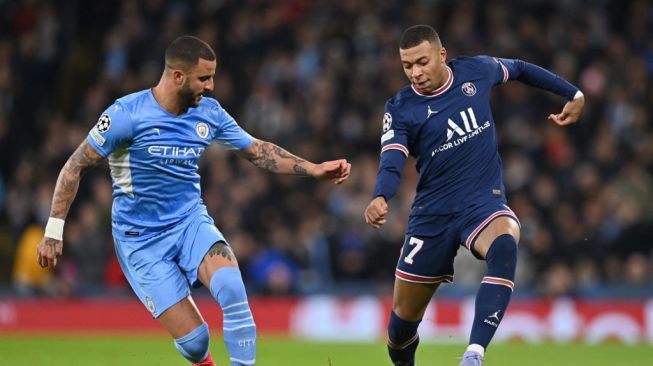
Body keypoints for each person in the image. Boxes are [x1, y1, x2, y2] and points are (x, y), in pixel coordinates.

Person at [37, 35, 351, 366]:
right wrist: (54, 230)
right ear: (177, 76)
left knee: (231, 286)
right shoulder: (126, 115)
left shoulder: (209, 113)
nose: (212, 86)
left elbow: (257, 151)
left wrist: (314, 169)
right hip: (140, 241)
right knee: (196, 344)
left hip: (189, 222)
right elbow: (75, 165)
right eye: (204, 78)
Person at [364, 25, 583, 366]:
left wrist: (573, 93)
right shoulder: (400, 108)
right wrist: (381, 196)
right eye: (407, 66)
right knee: (400, 330)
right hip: (431, 215)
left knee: (506, 242)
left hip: (482, 203)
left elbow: (521, 69)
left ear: (441, 55)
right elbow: (392, 160)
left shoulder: (476, 71)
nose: (415, 73)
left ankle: (474, 354)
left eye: (422, 62)